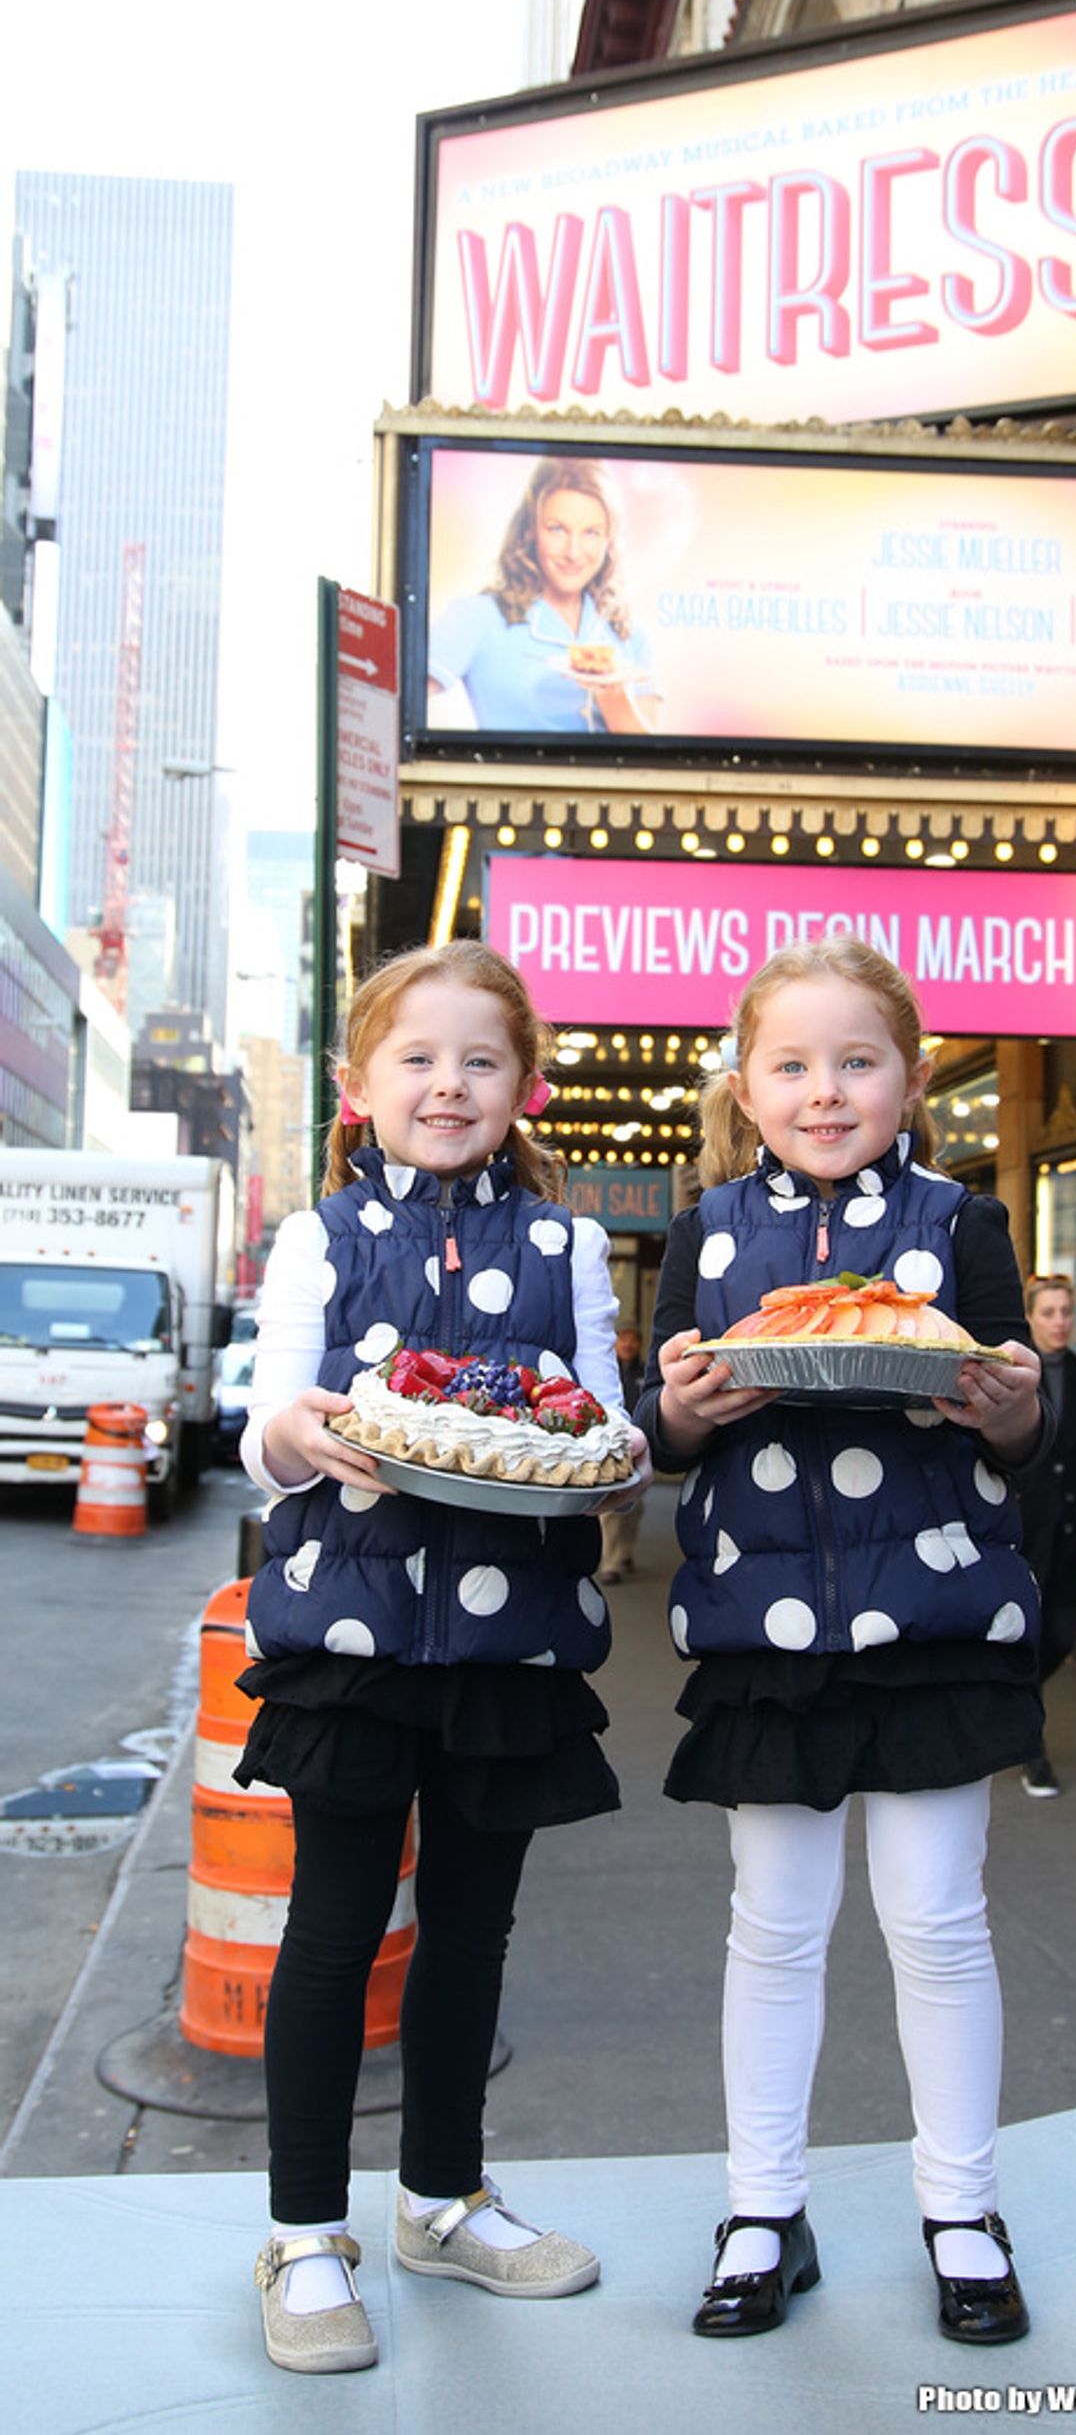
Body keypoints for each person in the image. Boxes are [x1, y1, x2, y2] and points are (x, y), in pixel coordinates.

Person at [235, 938, 649, 2376]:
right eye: (416, 1057)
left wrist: (621, 1456)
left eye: (480, 1058)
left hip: (509, 1643)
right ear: (358, 1087)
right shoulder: (320, 1238)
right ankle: (301, 2235)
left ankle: (441, 2198)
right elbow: (269, 1421)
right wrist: (295, 1433)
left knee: (473, 1935)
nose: (449, 1082)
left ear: (525, 1084)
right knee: (337, 1934)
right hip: (347, 1634)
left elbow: (593, 1424)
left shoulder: (569, 1243)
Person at [634, 932, 1049, 2347]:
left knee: (936, 1921)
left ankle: (963, 2206)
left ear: (913, 1079)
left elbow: (1022, 1408)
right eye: (793, 1065)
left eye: (857, 1061)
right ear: (745, 1088)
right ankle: (763, 2206)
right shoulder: (707, 1232)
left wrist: (1005, 1402)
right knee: (776, 1925)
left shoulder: (963, 1223)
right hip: (765, 1627)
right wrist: (686, 1409)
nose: (826, 1090)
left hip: (935, 1615)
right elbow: (665, 1427)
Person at [428, 455, 661, 736]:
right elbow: (397, 701)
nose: (573, 553)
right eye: (557, 529)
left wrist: (614, 697)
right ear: (529, 530)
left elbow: (651, 764)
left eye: (591, 532)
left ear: (608, 539)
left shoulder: (629, 633)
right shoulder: (479, 616)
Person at [1015, 1275, 1076, 1799]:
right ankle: (1032, 1750)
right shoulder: (1013, 1369)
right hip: (1026, 1532)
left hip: (1070, 1530)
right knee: (1028, 1636)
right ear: (1030, 1316)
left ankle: (1013, 1707)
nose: (1059, 1321)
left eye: (1066, 1312)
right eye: (1049, 1312)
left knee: (1061, 1635)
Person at [598, 1322, 646, 1584]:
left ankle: (624, 1551)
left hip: (640, 1446)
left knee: (635, 1506)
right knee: (613, 1506)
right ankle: (610, 1563)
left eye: (633, 1340)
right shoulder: (605, 1371)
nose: (628, 1344)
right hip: (612, 1443)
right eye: (623, 1339)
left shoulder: (646, 1372)